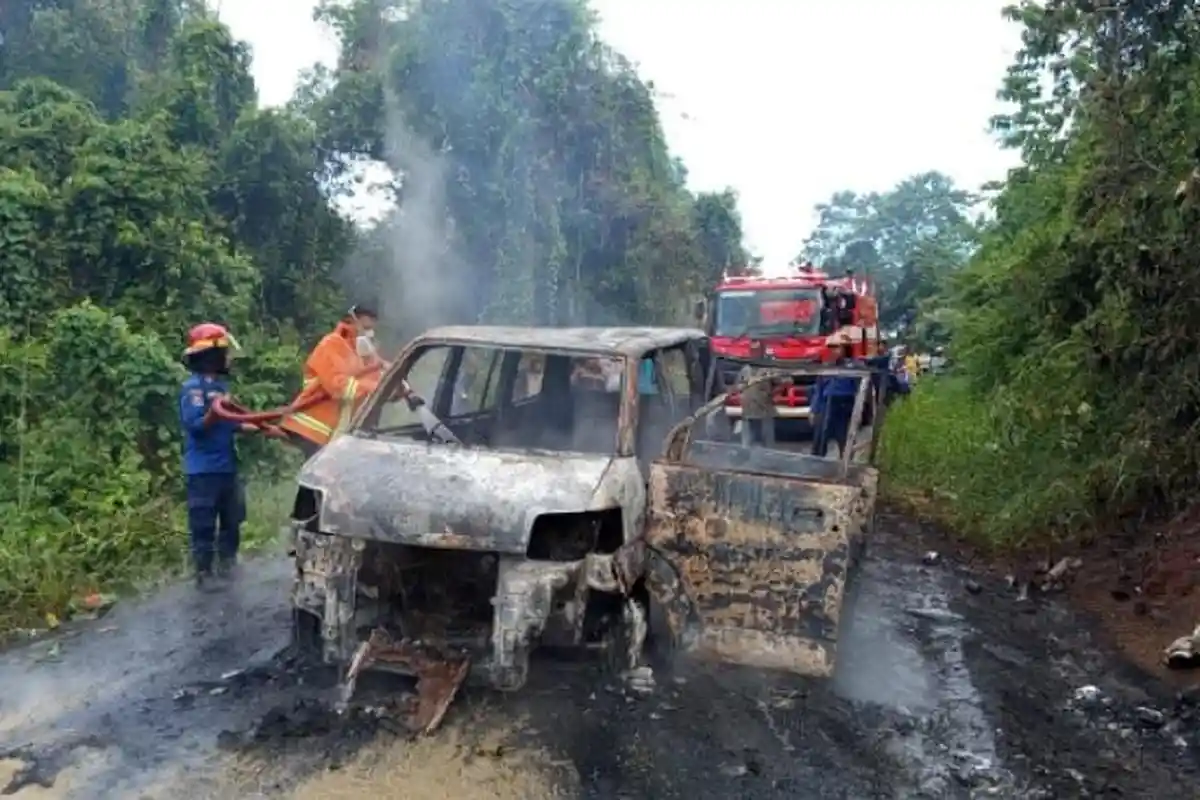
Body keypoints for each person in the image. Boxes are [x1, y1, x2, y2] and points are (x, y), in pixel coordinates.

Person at [179, 323, 282, 587]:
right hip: (203, 471)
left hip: (226, 467)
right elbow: (196, 426)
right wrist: (216, 410)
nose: (228, 358)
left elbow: (234, 422)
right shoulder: (193, 388)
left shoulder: (221, 387)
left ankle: (229, 568)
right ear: (210, 355)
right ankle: (204, 574)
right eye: (224, 352)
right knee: (203, 523)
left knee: (233, 519)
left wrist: (266, 428)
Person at [280, 305, 384, 456]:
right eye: (366, 327)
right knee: (320, 477)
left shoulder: (360, 351)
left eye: (372, 329)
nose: (369, 333)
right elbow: (339, 387)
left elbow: (376, 379)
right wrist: (376, 388)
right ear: (351, 321)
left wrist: (394, 384)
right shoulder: (331, 344)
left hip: (337, 434)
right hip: (314, 431)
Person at [810, 333, 861, 458]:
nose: (834, 351)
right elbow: (819, 390)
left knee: (845, 437)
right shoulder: (827, 367)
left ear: (846, 348)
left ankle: (846, 466)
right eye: (832, 348)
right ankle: (816, 465)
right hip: (827, 405)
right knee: (820, 437)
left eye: (837, 347)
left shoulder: (855, 366)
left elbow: (860, 390)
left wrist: (859, 412)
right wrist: (814, 410)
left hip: (845, 405)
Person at [736, 361, 776, 447]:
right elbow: (738, 385)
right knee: (748, 439)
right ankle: (746, 454)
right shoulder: (745, 369)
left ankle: (768, 455)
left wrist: (770, 393)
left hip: (764, 409)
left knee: (766, 439)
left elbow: (786, 382)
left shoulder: (769, 369)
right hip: (748, 410)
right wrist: (743, 390)